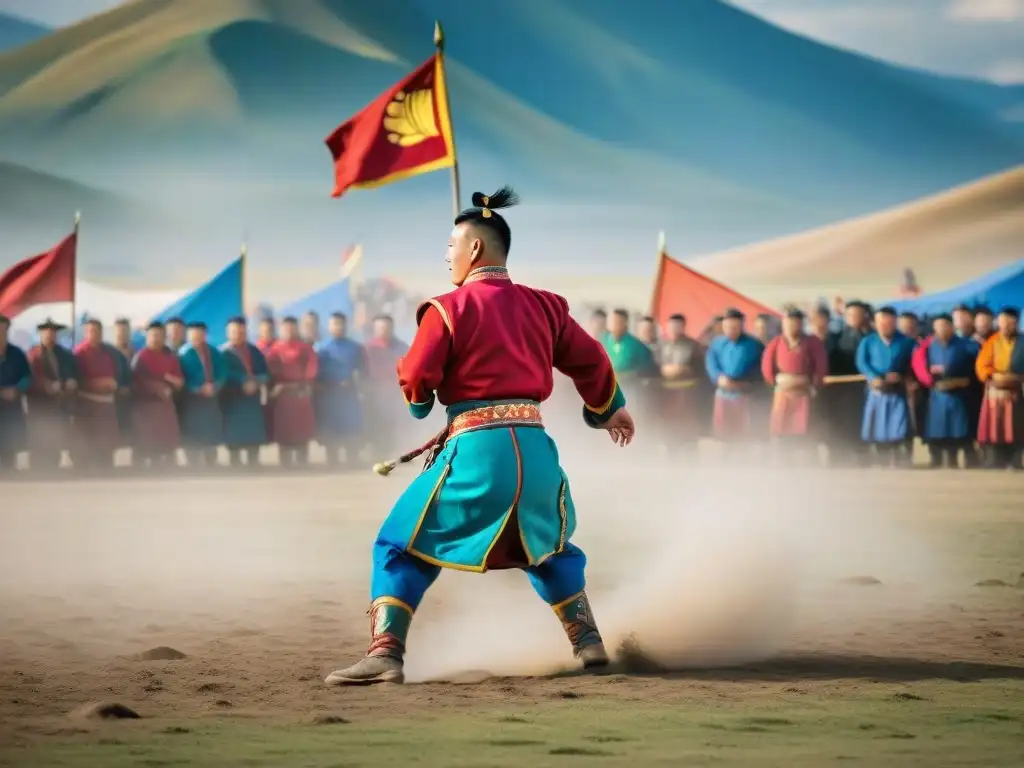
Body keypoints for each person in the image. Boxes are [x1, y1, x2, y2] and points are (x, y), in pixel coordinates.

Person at [326, 187, 634, 686]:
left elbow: (417, 373)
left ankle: (385, 655)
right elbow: (593, 360)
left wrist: (420, 400)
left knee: (398, 544)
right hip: (536, 452)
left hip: (476, 451)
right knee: (546, 546)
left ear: (473, 249)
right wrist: (609, 410)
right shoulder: (547, 307)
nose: (446, 255)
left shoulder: (446, 309)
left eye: (451, 245)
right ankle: (589, 644)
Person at [911, 314, 978, 468]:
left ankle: (957, 460)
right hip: (936, 394)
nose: (941, 330)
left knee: (958, 429)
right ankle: (936, 460)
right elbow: (920, 366)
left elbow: (975, 369)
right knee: (936, 429)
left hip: (960, 394)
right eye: (938, 327)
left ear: (952, 327)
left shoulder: (967, 345)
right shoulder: (927, 346)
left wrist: (963, 381)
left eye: (945, 326)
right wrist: (929, 381)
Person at [760, 308, 827, 461]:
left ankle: (809, 463)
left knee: (806, 431)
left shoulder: (812, 342)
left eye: (796, 323)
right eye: (789, 323)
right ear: (783, 324)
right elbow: (767, 367)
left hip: (804, 393)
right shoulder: (776, 343)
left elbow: (821, 366)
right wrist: (777, 381)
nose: (792, 326)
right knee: (781, 431)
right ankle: (783, 462)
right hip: (783, 393)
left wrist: (810, 383)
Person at [855, 306, 916, 467]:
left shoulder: (906, 342)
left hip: (897, 390)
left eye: (888, 321)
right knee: (877, 427)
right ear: (875, 323)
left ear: (895, 322)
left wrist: (901, 376)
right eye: (881, 321)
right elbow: (862, 362)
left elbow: (913, 364)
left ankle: (900, 460)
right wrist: (873, 377)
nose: (884, 325)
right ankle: (881, 460)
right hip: (876, 390)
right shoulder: (868, 341)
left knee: (899, 427)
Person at [705, 308, 764, 446]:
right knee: (723, 435)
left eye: (735, 327)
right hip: (723, 392)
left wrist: (745, 382)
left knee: (743, 435)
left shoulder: (754, 345)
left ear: (742, 326)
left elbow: (760, 368)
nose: (731, 330)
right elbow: (711, 363)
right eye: (728, 327)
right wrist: (719, 377)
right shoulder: (717, 343)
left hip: (745, 393)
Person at [315, 312, 367, 467]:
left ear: (346, 325)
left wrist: (357, 383)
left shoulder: (355, 348)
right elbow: (316, 372)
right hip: (329, 395)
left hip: (349, 394)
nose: (337, 327)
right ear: (329, 326)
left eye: (340, 324)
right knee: (331, 429)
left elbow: (363, 371)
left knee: (351, 426)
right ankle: (332, 462)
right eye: (334, 324)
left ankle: (353, 460)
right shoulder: (321, 348)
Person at [823, 300, 871, 466]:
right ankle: (837, 457)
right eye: (850, 315)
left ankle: (862, 457)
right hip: (840, 388)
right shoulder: (835, 337)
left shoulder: (871, 337)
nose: (853, 318)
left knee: (862, 422)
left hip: (865, 388)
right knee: (840, 422)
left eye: (857, 315)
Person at [975, 307, 1024, 469]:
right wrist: (992, 376)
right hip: (995, 393)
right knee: (994, 429)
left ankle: (1015, 461)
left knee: (1015, 428)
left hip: (1016, 392)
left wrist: (1017, 378)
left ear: (1016, 323)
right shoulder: (992, 341)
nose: (1004, 326)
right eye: (1002, 322)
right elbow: (982, 365)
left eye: (1008, 322)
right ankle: (994, 460)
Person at [266, 317, 318, 466]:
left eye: (292, 328)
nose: (289, 331)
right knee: (284, 431)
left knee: (302, 429)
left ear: (296, 329)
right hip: (282, 396)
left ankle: (303, 461)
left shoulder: (305, 348)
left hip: (300, 393)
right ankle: (285, 463)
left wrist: (303, 383)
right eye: (285, 328)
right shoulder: (275, 349)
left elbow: (311, 369)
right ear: (281, 330)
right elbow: (271, 369)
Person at [26, 319, 78, 471]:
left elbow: (74, 372)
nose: (49, 335)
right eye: (46, 332)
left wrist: (71, 381)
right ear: (40, 334)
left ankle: (53, 470)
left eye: (52, 332)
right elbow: (29, 378)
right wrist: (45, 386)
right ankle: (36, 471)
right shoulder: (33, 355)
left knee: (55, 440)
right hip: (39, 406)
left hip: (58, 405)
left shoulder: (65, 355)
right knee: (38, 441)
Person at [130, 321, 184, 468]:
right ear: (147, 337)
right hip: (146, 407)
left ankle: (167, 468)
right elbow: (137, 381)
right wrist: (157, 388)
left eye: (159, 335)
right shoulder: (141, 357)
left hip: (165, 406)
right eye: (153, 335)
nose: (156, 338)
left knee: (166, 442)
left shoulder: (170, 357)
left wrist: (171, 382)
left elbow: (178, 379)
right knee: (145, 441)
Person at [72, 319, 123, 471]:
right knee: (89, 441)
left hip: (107, 403)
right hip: (88, 405)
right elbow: (77, 379)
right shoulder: (79, 353)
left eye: (97, 331)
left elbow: (118, 371)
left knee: (107, 443)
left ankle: (106, 468)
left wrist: (113, 383)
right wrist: (97, 384)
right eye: (90, 331)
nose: (94, 334)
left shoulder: (109, 352)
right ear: (85, 333)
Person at [221, 317, 268, 468]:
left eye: (241, 331)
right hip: (233, 397)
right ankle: (235, 461)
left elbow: (265, 372)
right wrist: (242, 380)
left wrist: (257, 382)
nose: (238, 334)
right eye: (234, 331)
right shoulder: (223, 352)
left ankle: (254, 460)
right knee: (234, 430)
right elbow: (223, 373)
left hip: (252, 398)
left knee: (253, 429)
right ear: (228, 333)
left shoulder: (254, 351)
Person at [178, 321, 227, 467]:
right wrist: (197, 388)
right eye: (193, 335)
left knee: (210, 429)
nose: (196, 338)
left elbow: (223, 371)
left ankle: (211, 461)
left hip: (211, 398)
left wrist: (216, 385)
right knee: (192, 431)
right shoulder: (183, 354)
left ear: (205, 335)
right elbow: (181, 376)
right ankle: (193, 464)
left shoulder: (214, 352)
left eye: (200, 335)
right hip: (192, 400)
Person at [656, 313, 705, 456]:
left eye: (677, 327)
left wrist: (685, 370)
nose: (674, 330)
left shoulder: (694, 346)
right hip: (666, 394)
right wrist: (663, 370)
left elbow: (701, 370)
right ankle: (671, 458)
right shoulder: (660, 346)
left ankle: (691, 461)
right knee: (669, 431)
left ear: (683, 327)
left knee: (688, 431)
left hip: (687, 394)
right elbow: (654, 367)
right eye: (671, 327)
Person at [364, 314, 409, 458]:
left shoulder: (402, 347)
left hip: (396, 392)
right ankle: (376, 452)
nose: (384, 330)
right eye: (380, 327)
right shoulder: (367, 349)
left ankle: (395, 453)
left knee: (396, 423)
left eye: (386, 327)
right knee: (376, 423)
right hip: (374, 392)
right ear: (374, 329)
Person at [0, 315, 30, 472]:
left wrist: (17, 388)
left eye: (3, 330)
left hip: (11, 407)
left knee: (10, 442)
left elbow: (27, 375)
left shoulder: (17, 354)